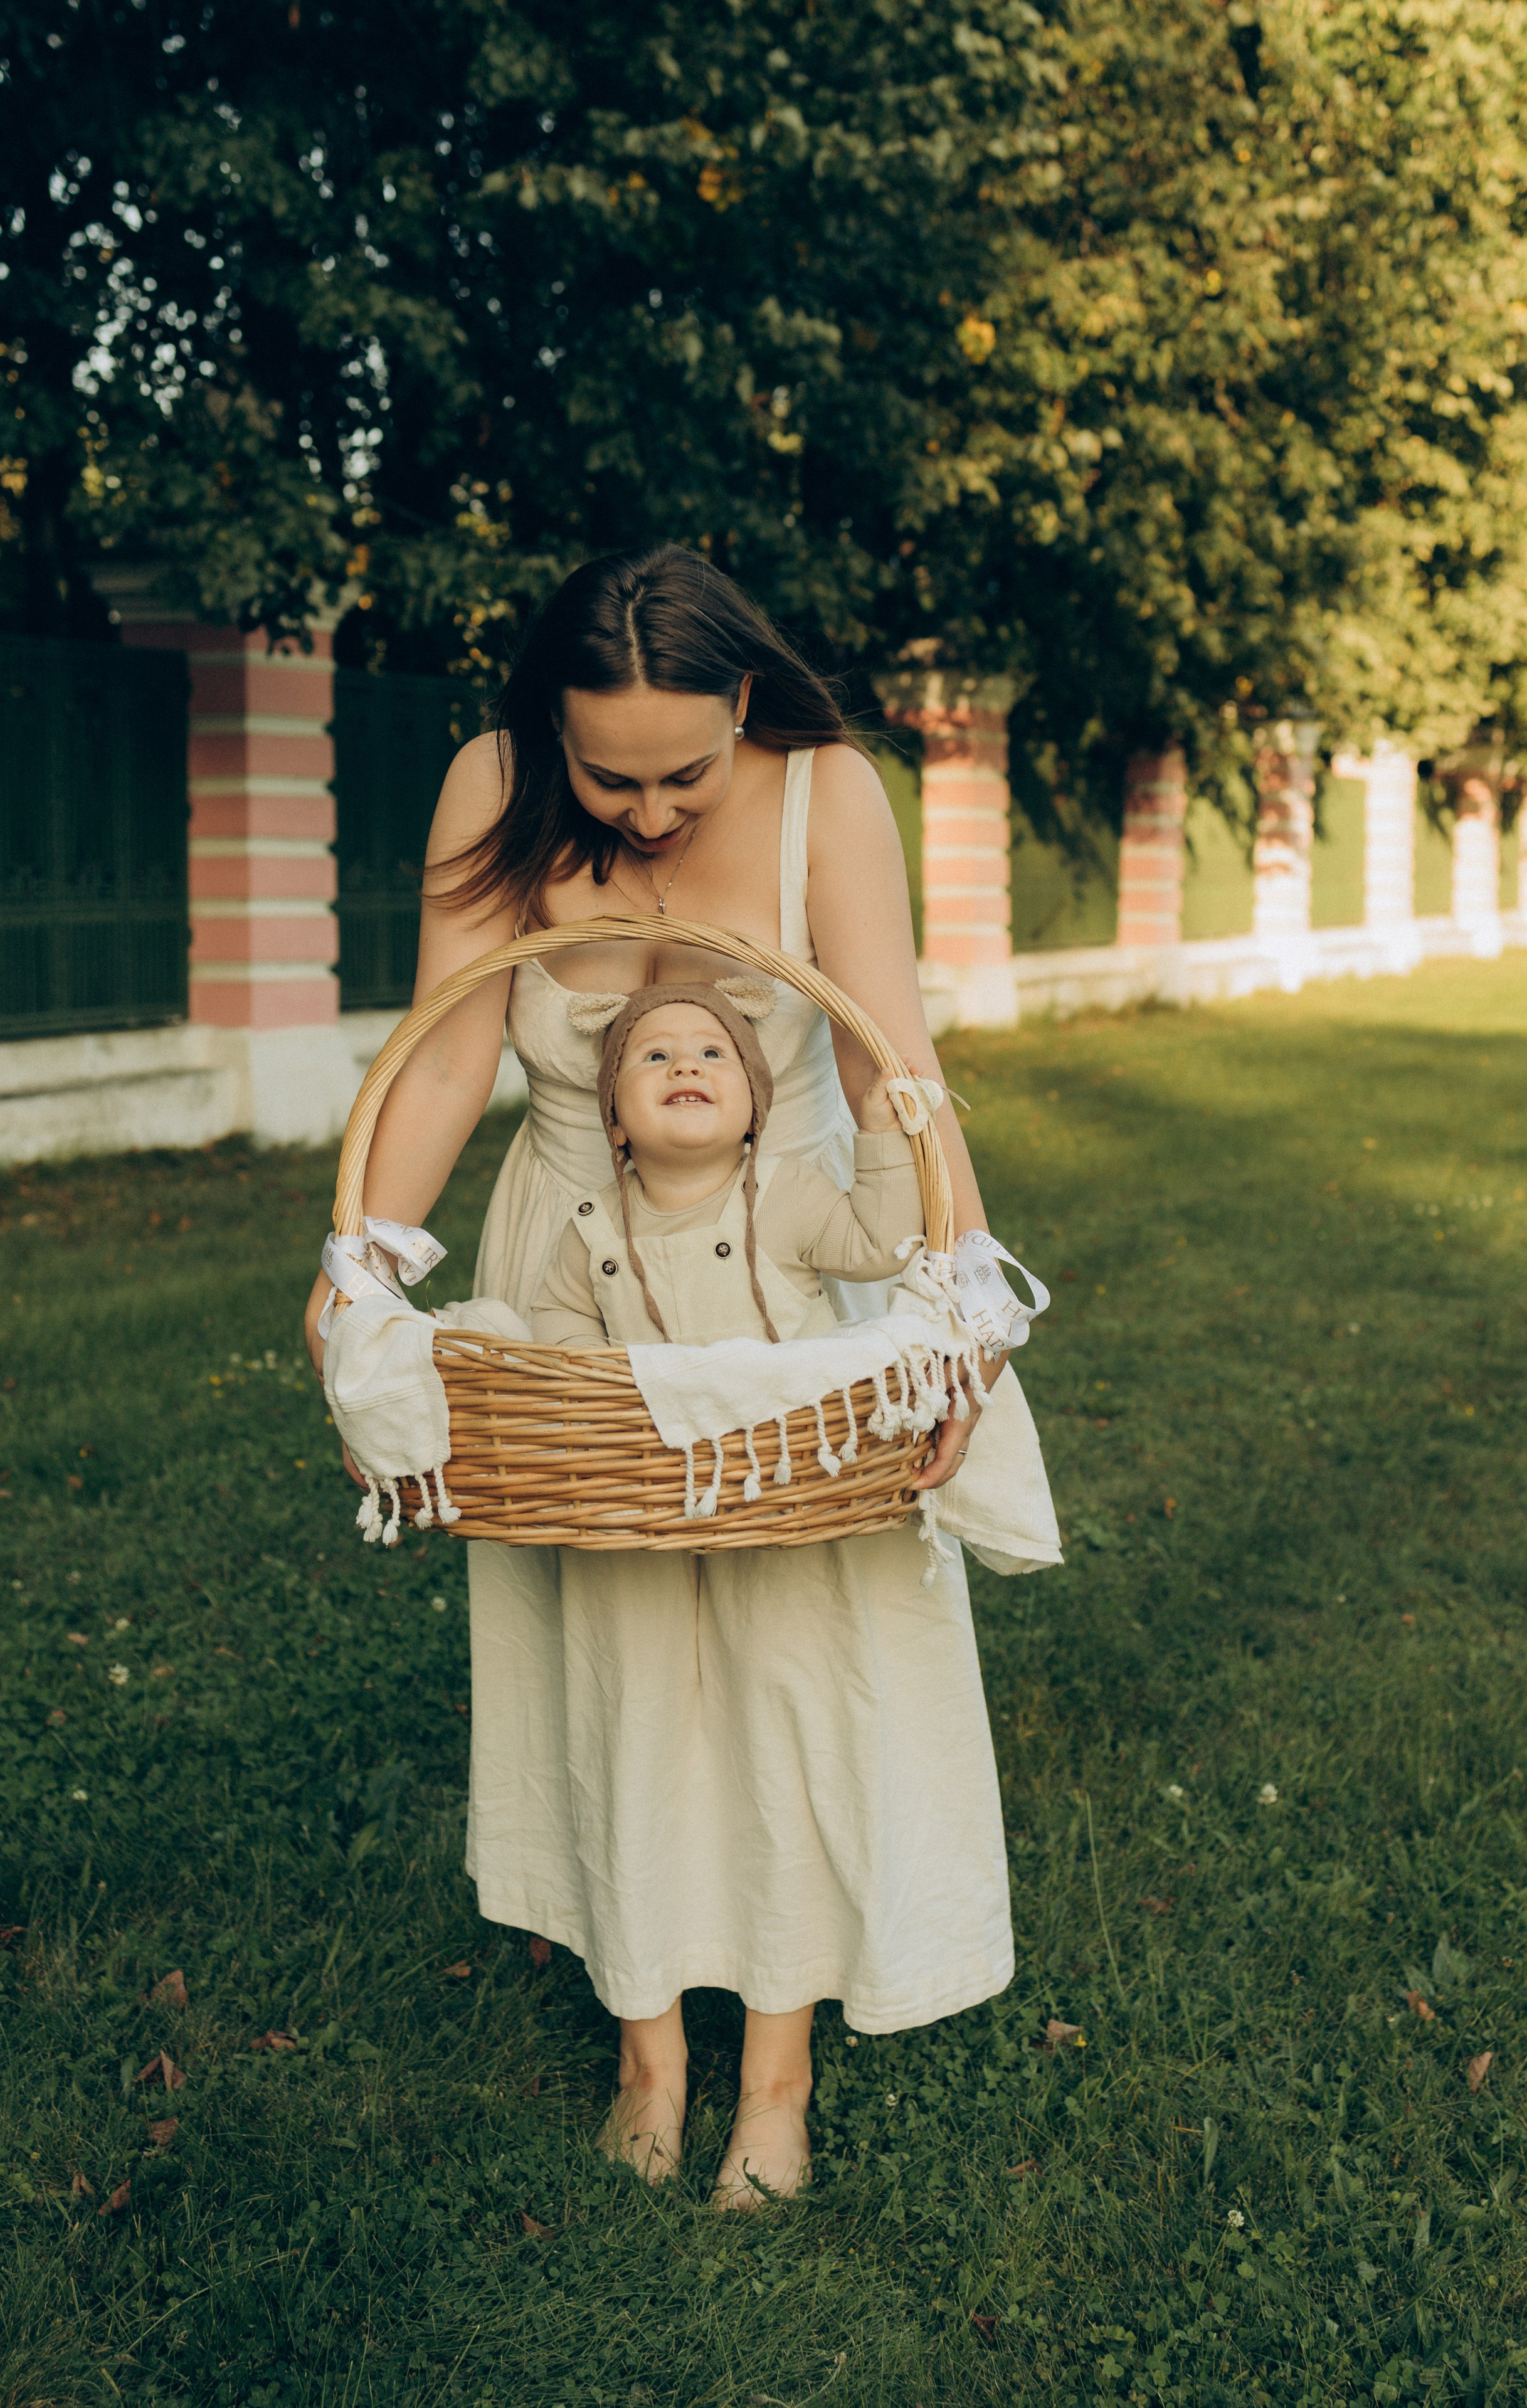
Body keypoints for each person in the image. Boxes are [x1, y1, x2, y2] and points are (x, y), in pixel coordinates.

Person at [304, 544, 1059, 2209]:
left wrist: (950, 1305)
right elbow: (441, 1049)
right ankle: (650, 2053)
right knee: (626, 1665)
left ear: (744, 703)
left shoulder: (826, 794)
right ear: (546, 730)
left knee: (795, 1671)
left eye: (684, 775)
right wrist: (361, 1258)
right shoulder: (492, 789)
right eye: (609, 776)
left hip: (783, 1283)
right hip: (576, 1281)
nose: (647, 815)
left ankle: (774, 2078)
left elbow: (888, 1061)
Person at [529, 979, 925, 1348]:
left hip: (789, 1414)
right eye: (656, 1055)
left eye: (712, 1053)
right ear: (615, 1125)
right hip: (648, 1419)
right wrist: (596, 1379)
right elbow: (561, 1312)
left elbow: (882, 1248)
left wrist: (881, 1136)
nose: (686, 1066)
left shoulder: (788, 1194)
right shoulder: (595, 1227)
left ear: (755, 1110)